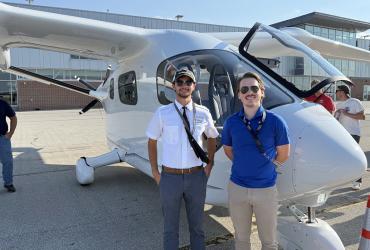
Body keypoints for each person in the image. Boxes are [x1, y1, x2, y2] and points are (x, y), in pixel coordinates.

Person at [146, 68, 218, 250]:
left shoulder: (203, 112)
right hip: (170, 178)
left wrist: (209, 164)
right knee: (170, 229)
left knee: (197, 228)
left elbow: (212, 137)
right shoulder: (163, 113)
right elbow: (152, 141)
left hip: (196, 177)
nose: (184, 86)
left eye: (188, 82)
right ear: (174, 86)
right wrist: (155, 172)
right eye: (180, 82)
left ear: (194, 86)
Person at [222, 72, 290, 250]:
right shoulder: (231, 122)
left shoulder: (276, 122)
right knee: (241, 239)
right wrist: (246, 163)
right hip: (237, 189)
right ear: (238, 94)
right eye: (244, 89)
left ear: (262, 92)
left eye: (254, 88)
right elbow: (228, 150)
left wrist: (266, 168)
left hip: (266, 190)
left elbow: (284, 154)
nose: (249, 92)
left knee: (269, 242)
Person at [335, 84, 365, 190]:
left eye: (337, 91)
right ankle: (345, 178)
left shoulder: (354, 102)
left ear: (342, 92)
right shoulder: (338, 105)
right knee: (343, 158)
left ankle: (357, 181)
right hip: (342, 135)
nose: (336, 93)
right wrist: (337, 114)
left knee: (355, 158)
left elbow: (362, 116)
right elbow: (336, 120)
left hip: (353, 133)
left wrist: (347, 114)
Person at [0, 98, 17, 192]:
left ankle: (8, 183)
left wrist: (10, 133)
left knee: (8, 162)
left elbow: (13, 117)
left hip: (2, 138)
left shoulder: (2, 103)